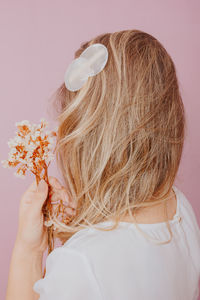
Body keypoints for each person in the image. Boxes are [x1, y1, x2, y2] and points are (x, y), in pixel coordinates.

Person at [6, 29, 200, 300]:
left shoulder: (79, 263)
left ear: (86, 140)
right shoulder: (180, 210)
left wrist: (29, 251)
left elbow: (96, 269)